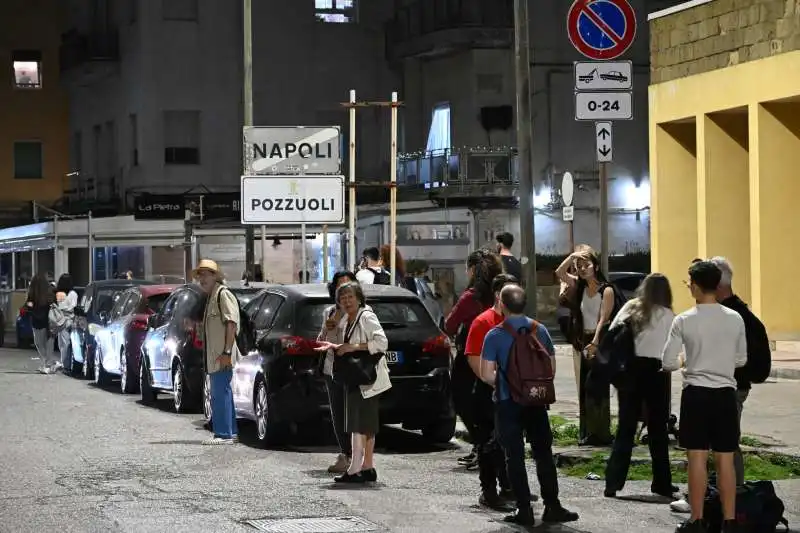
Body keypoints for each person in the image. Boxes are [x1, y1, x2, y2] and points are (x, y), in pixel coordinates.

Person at [480, 285, 579, 526]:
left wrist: (507, 384)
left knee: (514, 456)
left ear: (502, 304)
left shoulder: (495, 334)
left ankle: (524, 509)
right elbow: (551, 368)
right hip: (536, 401)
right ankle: (552, 505)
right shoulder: (540, 330)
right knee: (543, 453)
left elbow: (485, 374)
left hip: (507, 402)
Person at [662, 261, 747, 533]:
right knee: (725, 459)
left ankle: (697, 519)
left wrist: (686, 362)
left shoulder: (684, 319)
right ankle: (730, 520)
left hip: (696, 394)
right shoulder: (735, 318)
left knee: (697, 459)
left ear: (695, 286)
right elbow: (741, 358)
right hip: (725, 394)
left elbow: (667, 362)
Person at [604, 273, 677, 499]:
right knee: (658, 430)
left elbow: (611, 333)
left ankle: (613, 483)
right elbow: (670, 353)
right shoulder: (668, 315)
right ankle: (662, 483)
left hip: (630, 371)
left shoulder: (630, 307)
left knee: (625, 429)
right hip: (657, 372)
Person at [317, 281, 391, 483]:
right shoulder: (345, 319)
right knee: (364, 425)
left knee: (358, 424)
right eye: (342, 298)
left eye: (350, 297)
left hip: (366, 377)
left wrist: (352, 347)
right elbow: (334, 340)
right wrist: (334, 342)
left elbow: (382, 342)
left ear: (359, 298)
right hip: (355, 377)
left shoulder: (366, 316)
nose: (347, 301)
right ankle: (366, 467)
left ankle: (355, 469)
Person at [710, 256, 771, 486]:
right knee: (720, 442)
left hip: (729, 387)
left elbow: (753, 363)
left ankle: (730, 494)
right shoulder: (737, 313)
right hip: (728, 386)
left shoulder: (734, 317)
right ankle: (719, 493)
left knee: (725, 443)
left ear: (717, 284)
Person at [444, 249, 504, 468]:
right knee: (490, 403)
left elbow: (450, 324)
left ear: (472, 270)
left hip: (471, 354)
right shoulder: (500, 293)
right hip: (498, 355)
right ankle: (482, 447)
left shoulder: (471, 297)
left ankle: (483, 446)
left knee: (463, 402)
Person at [464, 273, 518, 511]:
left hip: (513, 391)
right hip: (488, 391)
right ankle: (488, 492)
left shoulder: (518, 321)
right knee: (489, 444)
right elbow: (475, 362)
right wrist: (500, 382)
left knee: (510, 441)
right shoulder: (483, 322)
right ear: (498, 295)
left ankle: (509, 487)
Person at [555, 247, 615, 446]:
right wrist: (573, 256)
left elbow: (604, 319)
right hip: (583, 340)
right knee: (585, 388)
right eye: (579, 266)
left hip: (598, 341)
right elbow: (559, 273)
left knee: (598, 387)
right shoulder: (579, 287)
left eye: (586, 265)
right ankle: (587, 432)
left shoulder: (606, 289)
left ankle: (601, 432)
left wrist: (596, 342)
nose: (582, 269)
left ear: (596, 266)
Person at [193, 259, 240, 446]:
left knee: (220, 393)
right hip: (216, 355)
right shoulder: (212, 296)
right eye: (199, 275)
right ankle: (231, 431)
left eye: (204, 274)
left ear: (215, 276)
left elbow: (231, 323)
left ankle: (223, 434)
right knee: (222, 392)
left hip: (222, 354)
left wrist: (227, 352)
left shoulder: (223, 295)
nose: (201, 279)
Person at [318, 270, 359, 474]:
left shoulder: (360, 312)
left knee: (354, 416)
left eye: (348, 286)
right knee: (338, 414)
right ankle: (345, 454)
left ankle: (357, 457)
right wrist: (329, 327)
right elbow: (322, 341)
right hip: (332, 368)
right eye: (340, 287)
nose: (344, 292)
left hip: (353, 370)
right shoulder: (330, 312)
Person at [27, 273, 56, 374]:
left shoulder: (32, 293)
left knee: (39, 343)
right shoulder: (49, 291)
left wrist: (31, 307)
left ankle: (45, 362)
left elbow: (29, 305)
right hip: (48, 320)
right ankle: (48, 363)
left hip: (36, 320)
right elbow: (53, 304)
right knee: (49, 342)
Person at [54, 274, 78, 373]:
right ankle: (68, 363)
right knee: (69, 343)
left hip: (62, 321)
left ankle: (65, 364)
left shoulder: (59, 294)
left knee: (63, 344)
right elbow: (73, 307)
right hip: (71, 320)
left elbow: (58, 307)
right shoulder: (73, 294)